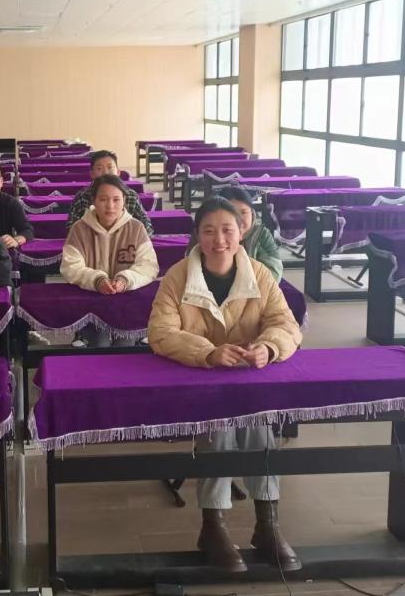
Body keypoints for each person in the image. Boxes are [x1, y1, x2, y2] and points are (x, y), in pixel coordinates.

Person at [148, 196, 302, 573]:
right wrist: (207, 352)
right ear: (197, 235)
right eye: (209, 231)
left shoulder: (259, 274)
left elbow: (285, 324)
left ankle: (267, 523)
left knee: (259, 429)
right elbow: (161, 332)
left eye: (228, 230)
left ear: (241, 232)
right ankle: (213, 525)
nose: (220, 240)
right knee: (217, 433)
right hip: (199, 379)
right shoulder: (178, 276)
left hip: (248, 378)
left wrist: (269, 347)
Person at [60, 175, 159, 347]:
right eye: (103, 199)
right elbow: (70, 267)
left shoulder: (136, 228)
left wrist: (125, 280)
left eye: (116, 199)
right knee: (100, 344)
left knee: (125, 345)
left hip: (128, 304)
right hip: (92, 305)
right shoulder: (79, 229)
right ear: (93, 201)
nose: (110, 206)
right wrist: (97, 280)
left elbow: (148, 266)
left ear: (124, 201)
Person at [186, 186, 282, 281]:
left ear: (252, 213)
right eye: (233, 213)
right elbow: (190, 267)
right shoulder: (204, 233)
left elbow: (274, 272)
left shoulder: (261, 234)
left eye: (243, 212)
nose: (239, 219)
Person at [65, 150, 154, 235]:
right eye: (99, 168)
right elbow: (71, 227)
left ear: (118, 172)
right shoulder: (82, 196)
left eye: (110, 167)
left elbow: (147, 226)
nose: (106, 172)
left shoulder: (130, 195)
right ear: (92, 174)